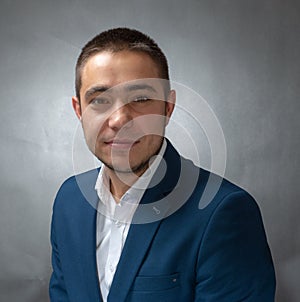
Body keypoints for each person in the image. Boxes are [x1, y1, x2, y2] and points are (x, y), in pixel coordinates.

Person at [49, 28, 276, 302]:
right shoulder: (69, 200)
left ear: (168, 108)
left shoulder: (223, 212)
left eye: (141, 99)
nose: (120, 119)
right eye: (100, 100)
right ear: (79, 111)